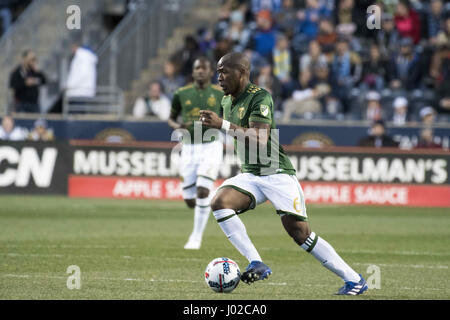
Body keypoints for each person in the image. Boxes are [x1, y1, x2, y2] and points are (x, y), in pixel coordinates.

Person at [200, 52, 368, 295]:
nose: (219, 77)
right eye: (218, 72)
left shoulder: (261, 97)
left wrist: (222, 125)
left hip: (276, 172)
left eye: (224, 71)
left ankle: (355, 280)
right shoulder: (227, 102)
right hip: (251, 174)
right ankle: (256, 261)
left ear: (243, 72)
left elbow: (260, 138)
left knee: (300, 234)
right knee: (219, 201)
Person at [168, 57, 224, 250]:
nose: (200, 71)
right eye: (196, 68)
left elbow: (227, 118)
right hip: (189, 147)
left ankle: (196, 237)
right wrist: (178, 125)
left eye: (204, 68)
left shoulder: (220, 94)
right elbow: (171, 119)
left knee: (202, 191)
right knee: (190, 201)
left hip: (211, 145)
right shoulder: (181, 93)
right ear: (192, 72)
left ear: (210, 72)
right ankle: (212, 191)